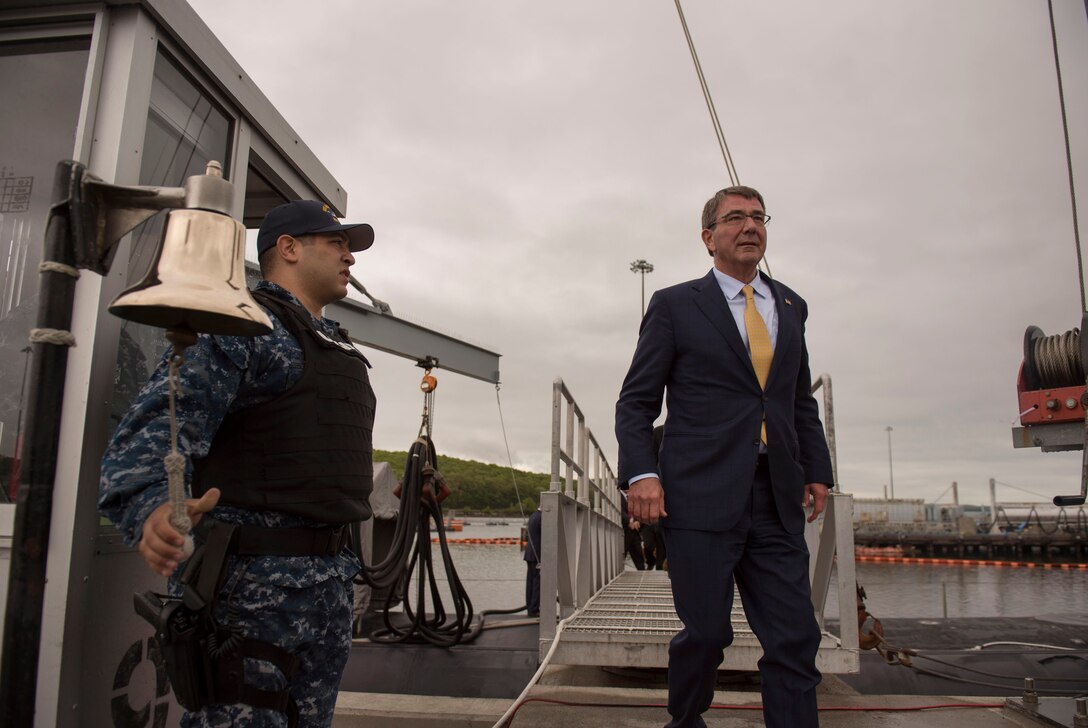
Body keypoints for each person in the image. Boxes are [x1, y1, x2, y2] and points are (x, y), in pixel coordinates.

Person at [100, 200, 378, 728]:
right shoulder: (242, 330)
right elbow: (150, 434)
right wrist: (153, 509)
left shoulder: (332, 343)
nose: (350, 258)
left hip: (326, 588)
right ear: (289, 249)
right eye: (336, 243)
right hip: (253, 598)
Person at [615, 185, 833, 728]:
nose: (750, 225)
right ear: (709, 237)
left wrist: (817, 470)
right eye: (735, 217)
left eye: (759, 216)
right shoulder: (674, 305)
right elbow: (637, 401)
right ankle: (685, 721)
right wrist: (643, 473)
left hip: (776, 493)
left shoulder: (791, 306)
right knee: (708, 633)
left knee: (795, 636)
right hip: (700, 496)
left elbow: (796, 399)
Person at [523, 507, 542, 616]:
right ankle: (534, 609)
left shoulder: (534, 515)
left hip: (530, 554)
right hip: (537, 555)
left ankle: (530, 608)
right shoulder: (542, 517)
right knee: (537, 583)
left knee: (530, 582)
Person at [621, 492, 646, 570]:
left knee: (638, 555)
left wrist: (637, 521)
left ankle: (643, 573)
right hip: (623, 530)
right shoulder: (616, 495)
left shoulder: (636, 495)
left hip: (635, 530)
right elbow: (619, 510)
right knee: (621, 555)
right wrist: (629, 521)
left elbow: (641, 509)